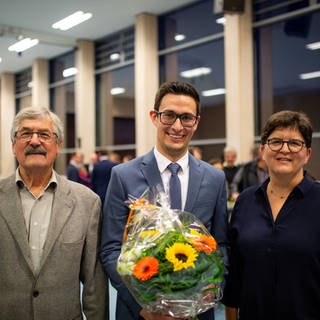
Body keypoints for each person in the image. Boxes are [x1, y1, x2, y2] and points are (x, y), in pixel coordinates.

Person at [100, 81, 228, 320]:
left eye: (186, 118)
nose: (177, 126)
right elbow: (111, 249)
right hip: (140, 314)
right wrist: (143, 307)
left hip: (198, 312)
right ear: (154, 117)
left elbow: (221, 244)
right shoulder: (123, 176)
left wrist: (207, 292)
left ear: (196, 122)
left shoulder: (215, 178)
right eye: (169, 115)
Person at [0, 107, 108, 320]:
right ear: (13, 145)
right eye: (25, 134)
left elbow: (94, 281)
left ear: (58, 145)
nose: (34, 141)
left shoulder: (87, 202)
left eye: (44, 135)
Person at [222, 110, 320, 320]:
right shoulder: (245, 201)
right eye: (275, 142)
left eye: (295, 143)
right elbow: (236, 272)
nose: (284, 149)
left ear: (308, 154)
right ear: (263, 150)